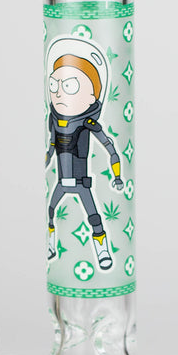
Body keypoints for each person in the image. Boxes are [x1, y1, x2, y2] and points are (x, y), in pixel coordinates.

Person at [45, 48, 123, 270]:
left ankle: (102, 250)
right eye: (54, 85)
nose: (60, 93)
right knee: (50, 212)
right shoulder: (54, 122)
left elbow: (111, 149)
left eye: (70, 86)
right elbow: (51, 150)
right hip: (61, 182)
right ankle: (51, 245)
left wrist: (117, 177)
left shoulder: (88, 124)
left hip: (82, 184)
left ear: (92, 97)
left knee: (94, 218)